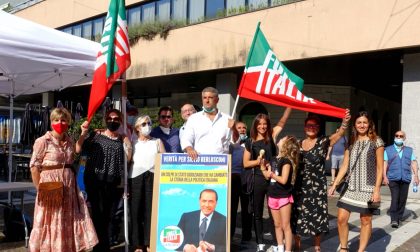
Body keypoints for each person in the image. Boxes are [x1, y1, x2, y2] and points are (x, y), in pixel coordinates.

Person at [29, 107, 98, 251]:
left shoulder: (69, 140)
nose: (60, 122)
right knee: (51, 219)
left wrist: (83, 134)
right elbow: (34, 167)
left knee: (66, 219)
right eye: (56, 120)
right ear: (51, 122)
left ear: (68, 122)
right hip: (50, 187)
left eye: (63, 120)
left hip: (68, 187)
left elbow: (76, 151)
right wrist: (40, 190)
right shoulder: (43, 141)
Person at [292, 109, 350, 252]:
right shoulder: (298, 143)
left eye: (314, 126)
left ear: (318, 128)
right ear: (305, 127)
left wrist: (345, 123)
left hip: (316, 188)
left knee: (317, 216)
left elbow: (339, 135)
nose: (311, 128)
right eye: (309, 125)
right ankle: (297, 245)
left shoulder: (323, 141)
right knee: (297, 215)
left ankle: (317, 246)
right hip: (300, 186)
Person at [76, 109, 132, 252]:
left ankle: (101, 246)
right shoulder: (96, 134)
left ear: (120, 121)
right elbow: (78, 148)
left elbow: (128, 159)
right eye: (110, 118)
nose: (112, 121)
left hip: (112, 183)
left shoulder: (121, 138)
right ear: (105, 120)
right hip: (95, 181)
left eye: (116, 119)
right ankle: (101, 247)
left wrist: (128, 143)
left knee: (108, 215)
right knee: (98, 214)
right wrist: (83, 133)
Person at [328, 111, 384, 252]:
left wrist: (377, 190)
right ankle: (344, 248)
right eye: (359, 122)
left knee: (366, 220)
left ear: (370, 124)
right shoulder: (351, 142)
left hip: (369, 189)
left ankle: (361, 250)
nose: (362, 125)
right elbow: (345, 166)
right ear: (355, 125)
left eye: (365, 122)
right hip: (350, 188)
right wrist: (334, 184)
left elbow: (380, 168)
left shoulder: (377, 141)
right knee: (341, 219)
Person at [243, 107, 292, 252]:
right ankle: (260, 243)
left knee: (273, 213)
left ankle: (278, 244)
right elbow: (246, 163)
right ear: (255, 125)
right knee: (257, 213)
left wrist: (289, 106)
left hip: (273, 180)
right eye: (259, 124)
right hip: (258, 179)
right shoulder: (250, 142)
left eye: (264, 124)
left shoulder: (272, 135)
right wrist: (259, 162)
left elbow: (283, 120)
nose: (262, 126)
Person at [129, 115, 165, 252]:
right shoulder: (132, 142)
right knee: (136, 210)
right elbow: (128, 161)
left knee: (151, 211)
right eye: (144, 124)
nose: (147, 126)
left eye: (149, 123)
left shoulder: (157, 141)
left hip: (153, 177)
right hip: (135, 178)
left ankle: (150, 242)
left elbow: (164, 160)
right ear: (137, 127)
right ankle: (138, 244)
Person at [181, 87, 235, 159]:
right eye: (204, 98)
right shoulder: (193, 119)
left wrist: (234, 129)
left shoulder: (227, 119)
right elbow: (186, 139)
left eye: (210, 97)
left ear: (217, 100)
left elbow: (234, 142)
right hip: (199, 162)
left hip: (221, 164)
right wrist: (189, 149)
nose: (207, 100)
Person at [382, 130, 419, 228]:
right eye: (397, 135)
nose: (398, 137)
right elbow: (385, 163)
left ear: (404, 138)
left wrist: (416, 175)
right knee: (395, 198)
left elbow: (413, 162)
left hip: (405, 177)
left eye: (401, 136)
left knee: (402, 199)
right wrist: (384, 176)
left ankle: (399, 215)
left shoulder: (409, 150)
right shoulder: (388, 150)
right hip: (392, 178)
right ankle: (394, 219)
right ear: (394, 137)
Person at [229, 121, 252, 242]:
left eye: (244, 127)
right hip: (233, 178)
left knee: (247, 209)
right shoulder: (228, 144)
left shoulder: (250, 143)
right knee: (232, 209)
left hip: (246, 178)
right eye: (239, 128)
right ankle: (230, 235)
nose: (242, 129)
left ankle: (247, 236)